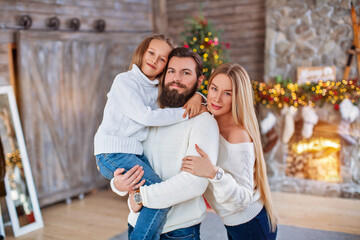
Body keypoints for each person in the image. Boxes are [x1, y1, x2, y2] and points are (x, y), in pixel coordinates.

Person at [94, 35, 204, 240]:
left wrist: (199, 97)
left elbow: (180, 93)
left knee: (153, 198)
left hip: (132, 153)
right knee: (158, 198)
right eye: (151, 53)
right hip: (113, 152)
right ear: (142, 52)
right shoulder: (124, 81)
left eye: (162, 59)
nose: (154, 60)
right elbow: (146, 116)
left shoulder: (156, 89)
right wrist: (187, 111)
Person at [181, 63, 278, 240]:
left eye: (227, 93)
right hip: (235, 223)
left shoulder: (238, 135)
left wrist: (213, 173)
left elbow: (243, 198)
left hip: (251, 223)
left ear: (238, 98)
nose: (217, 99)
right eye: (214, 89)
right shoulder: (209, 119)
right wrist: (197, 96)